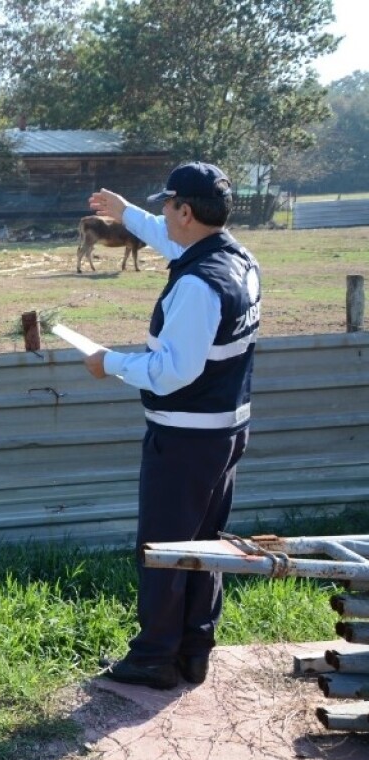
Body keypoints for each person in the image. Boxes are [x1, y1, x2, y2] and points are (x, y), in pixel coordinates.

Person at [84, 163, 261, 689]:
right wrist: (126, 214)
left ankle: (155, 657)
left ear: (186, 211)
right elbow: (169, 240)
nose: (162, 212)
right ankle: (194, 649)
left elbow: (170, 373)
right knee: (205, 543)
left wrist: (109, 362)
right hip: (226, 430)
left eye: (167, 204)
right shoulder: (237, 259)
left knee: (163, 546)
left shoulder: (198, 286)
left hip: (185, 437)